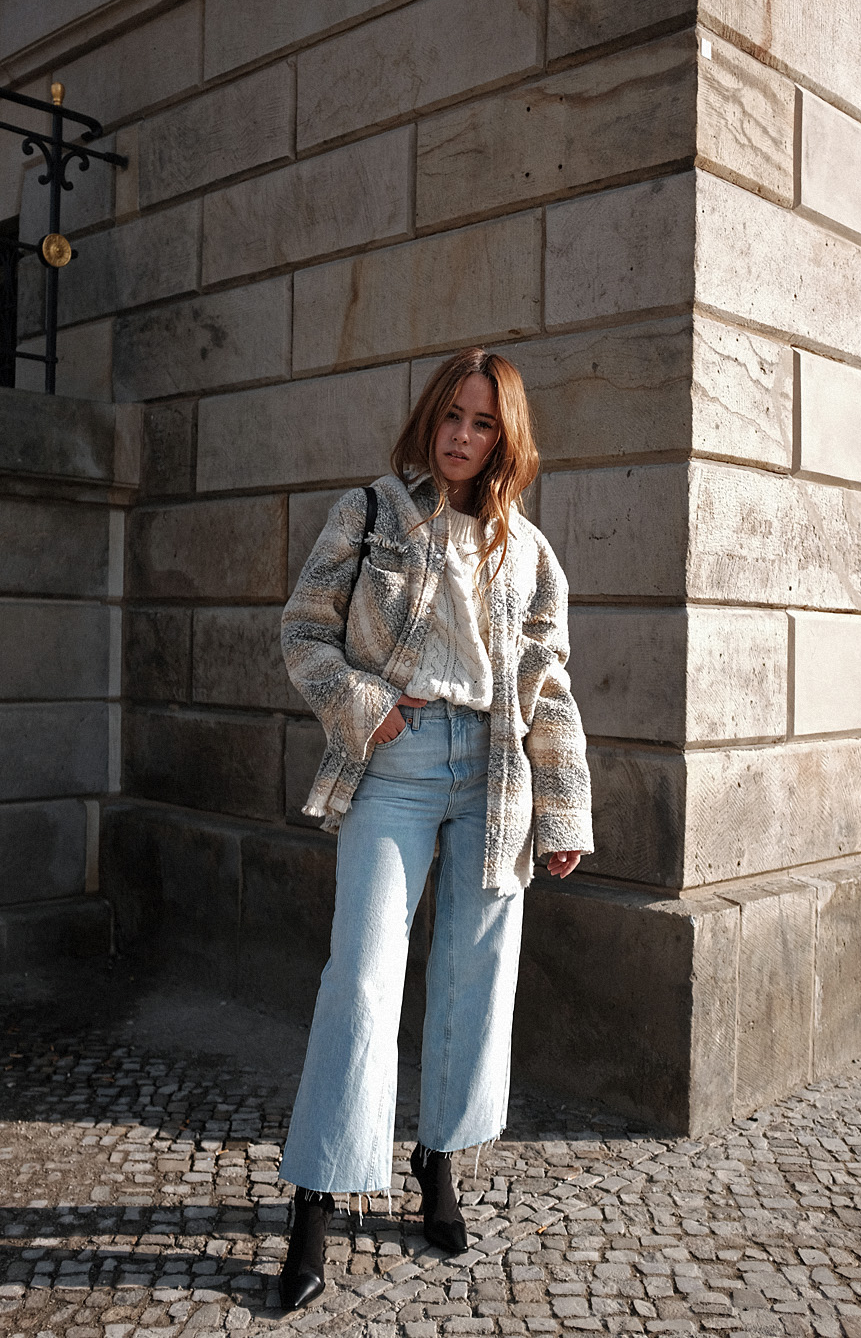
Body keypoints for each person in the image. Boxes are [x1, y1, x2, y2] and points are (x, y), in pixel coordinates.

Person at [276, 346, 594, 1310]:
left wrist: (561, 806)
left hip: (494, 775)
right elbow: (303, 630)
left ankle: (440, 1162)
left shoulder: (528, 551)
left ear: (507, 437)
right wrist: (363, 704)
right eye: (452, 416)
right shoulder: (370, 511)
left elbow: (548, 687)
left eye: (483, 422)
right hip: (398, 763)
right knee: (363, 977)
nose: (462, 435)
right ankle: (317, 1198)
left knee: (475, 976)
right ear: (432, 418)